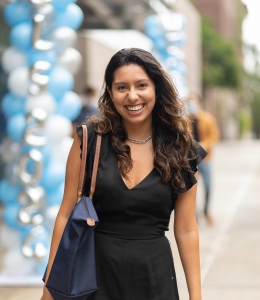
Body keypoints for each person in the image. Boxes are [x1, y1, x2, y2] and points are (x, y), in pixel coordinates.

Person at [41, 48, 207, 300]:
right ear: (109, 91)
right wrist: (52, 288)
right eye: (121, 87)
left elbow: (186, 229)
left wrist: (196, 296)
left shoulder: (182, 150)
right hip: (96, 277)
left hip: (155, 278)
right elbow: (65, 214)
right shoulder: (89, 141)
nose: (132, 96)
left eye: (141, 85)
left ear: (156, 88)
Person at [187, 93, 220, 226]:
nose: (191, 104)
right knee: (191, 187)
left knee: (207, 186)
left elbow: (215, 135)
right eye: (189, 102)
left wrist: (205, 144)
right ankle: (194, 216)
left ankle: (206, 211)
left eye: (193, 102)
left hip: (205, 158)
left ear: (199, 103)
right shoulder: (185, 120)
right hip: (190, 159)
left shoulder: (207, 119)